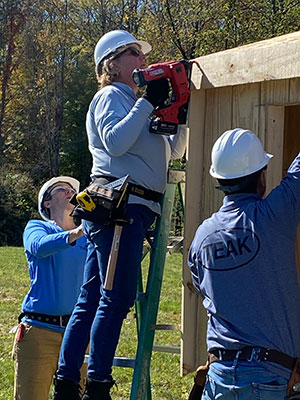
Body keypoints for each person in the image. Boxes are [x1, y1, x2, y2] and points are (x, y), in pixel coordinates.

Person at [52, 29, 187, 400]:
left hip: (131, 210)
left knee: (94, 295)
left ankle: (67, 383)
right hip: (119, 210)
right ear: (111, 63)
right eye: (133, 53)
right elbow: (114, 140)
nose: (142, 59)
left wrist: (180, 114)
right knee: (115, 296)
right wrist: (148, 103)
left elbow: (173, 151)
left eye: (141, 54)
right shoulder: (111, 96)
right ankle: (96, 384)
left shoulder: (136, 101)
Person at [188, 128, 300, 400]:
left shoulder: (202, 236)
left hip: (217, 378)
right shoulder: (273, 215)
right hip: (266, 378)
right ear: (261, 177)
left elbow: (203, 288)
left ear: (218, 179)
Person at [12, 176, 88, 400]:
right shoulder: (37, 227)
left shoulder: (87, 235)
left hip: (78, 333)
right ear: (47, 203)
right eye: (62, 189)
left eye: (73, 190)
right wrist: (79, 232)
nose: (70, 192)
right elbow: (38, 247)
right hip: (39, 331)